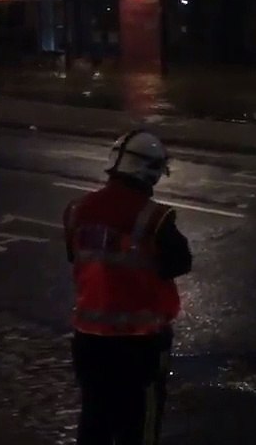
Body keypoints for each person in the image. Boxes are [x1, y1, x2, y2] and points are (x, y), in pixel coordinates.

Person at [63, 129, 193, 445]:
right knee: (138, 427)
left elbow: (75, 256)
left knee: (94, 421)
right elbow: (179, 263)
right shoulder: (156, 218)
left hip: (89, 341)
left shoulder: (76, 210)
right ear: (150, 171)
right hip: (139, 346)